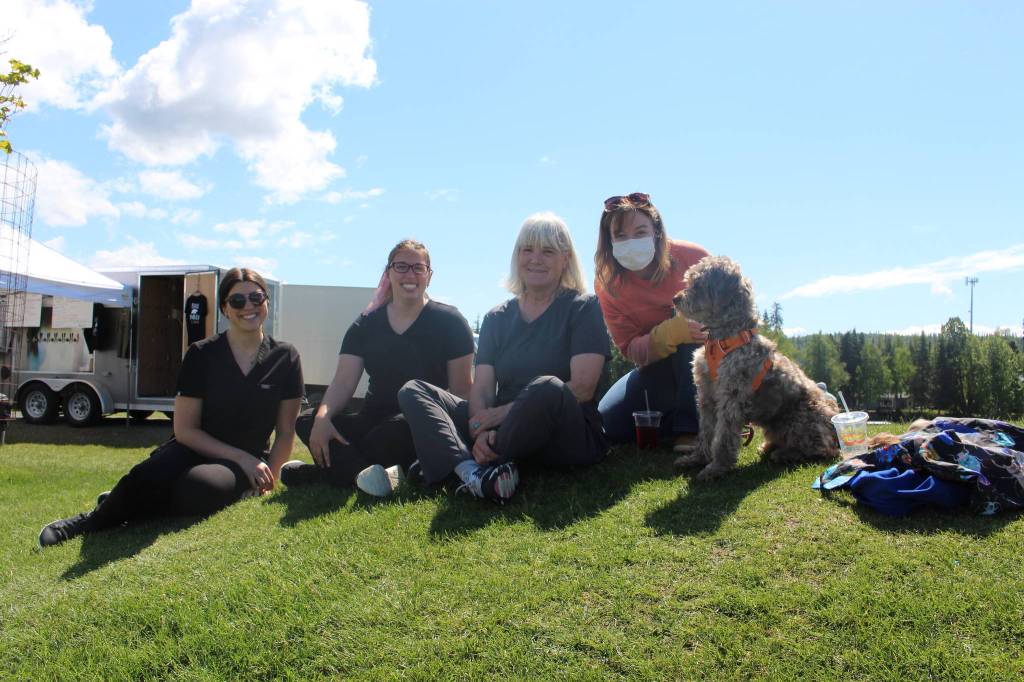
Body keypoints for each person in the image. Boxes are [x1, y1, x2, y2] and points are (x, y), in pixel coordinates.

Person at [38, 268, 303, 547]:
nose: (248, 306)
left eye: (256, 297)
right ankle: (92, 520)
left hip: (247, 461)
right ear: (225, 308)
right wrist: (241, 457)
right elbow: (185, 430)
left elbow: (286, 432)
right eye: (237, 301)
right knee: (148, 473)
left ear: (266, 302)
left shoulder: (285, 356)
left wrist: (267, 480)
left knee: (201, 488)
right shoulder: (202, 354)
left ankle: (136, 503)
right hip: (193, 447)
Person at [398, 212, 610, 503]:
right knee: (415, 390)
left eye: (547, 251)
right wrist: (479, 426)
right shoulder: (496, 317)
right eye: (527, 250)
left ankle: (448, 462)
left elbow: (582, 388)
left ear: (565, 259)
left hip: (564, 431)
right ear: (516, 256)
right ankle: (471, 471)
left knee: (547, 386)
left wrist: (496, 417)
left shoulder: (583, 308)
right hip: (499, 425)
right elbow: (483, 387)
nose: (536, 259)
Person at [283, 239, 474, 497]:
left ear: (429, 276)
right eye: (401, 266)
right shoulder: (366, 324)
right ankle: (371, 474)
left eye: (418, 268)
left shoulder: (450, 321)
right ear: (388, 272)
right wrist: (323, 418)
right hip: (370, 419)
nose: (410, 275)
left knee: (398, 430)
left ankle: (324, 473)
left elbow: (462, 390)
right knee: (307, 420)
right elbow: (342, 384)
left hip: (418, 422)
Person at [593, 192, 711, 451]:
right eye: (620, 236)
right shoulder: (608, 285)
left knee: (692, 341)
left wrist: (691, 331)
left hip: (707, 362)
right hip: (654, 369)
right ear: (609, 241)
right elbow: (630, 349)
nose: (631, 242)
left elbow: (729, 317)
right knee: (610, 424)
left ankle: (692, 430)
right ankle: (702, 419)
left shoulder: (694, 258)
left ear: (657, 231)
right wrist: (669, 334)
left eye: (640, 232)